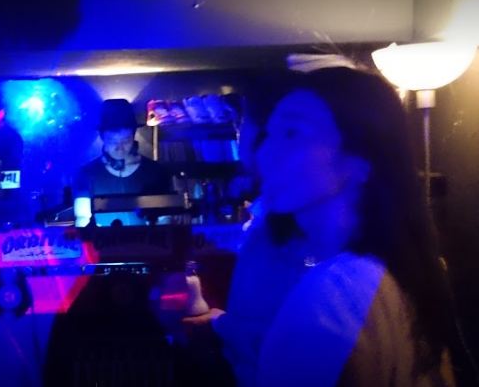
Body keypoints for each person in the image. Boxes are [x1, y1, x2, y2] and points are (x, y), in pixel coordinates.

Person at [190, 67, 463, 386]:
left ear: (360, 159)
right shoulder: (385, 273)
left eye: (292, 133)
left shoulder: (332, 295)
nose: (265, 153)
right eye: (270, 134)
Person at [73, 98, 173, 227]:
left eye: (125, 141)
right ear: (102, 138)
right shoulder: (87, 174)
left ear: (134, 136)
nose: (120, 148)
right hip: (102, 240)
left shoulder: (156, 172)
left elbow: (165, 219)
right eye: (112, 141)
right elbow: (82, 219)